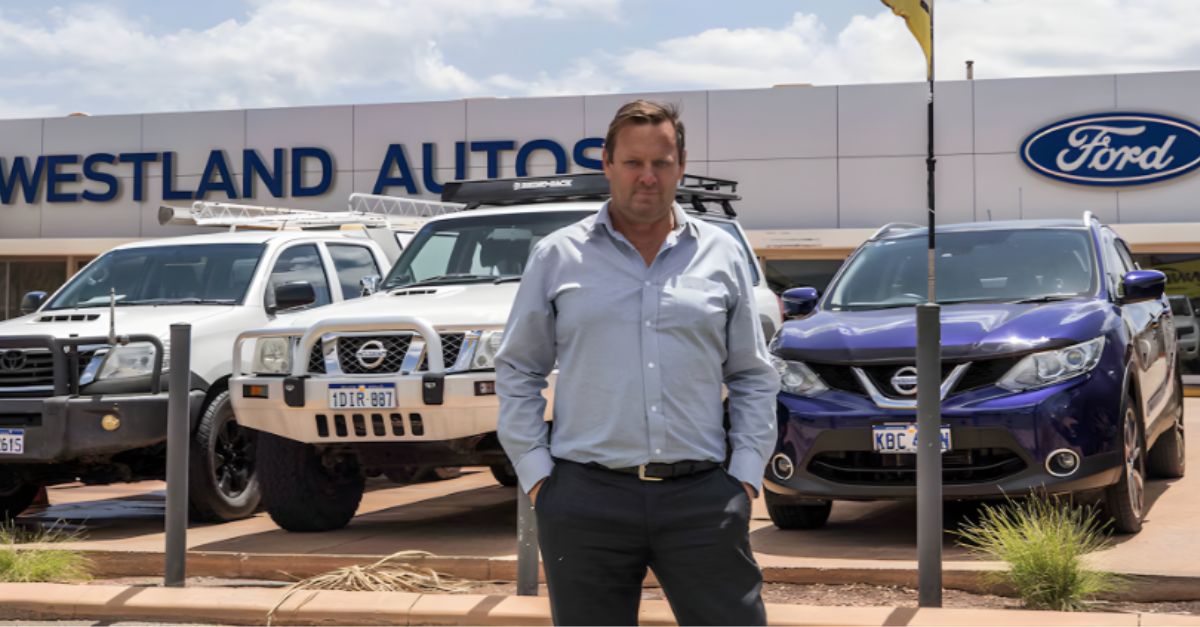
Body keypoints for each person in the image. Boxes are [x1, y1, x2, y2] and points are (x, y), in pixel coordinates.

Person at [496, 99, 779, 626]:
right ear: (607, 163)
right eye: (632, 162)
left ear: (682, 163)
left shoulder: (722, 255)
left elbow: (752, 374)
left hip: (703, 501)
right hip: (585, 500)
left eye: (661, 162)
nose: (647, 177)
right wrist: (538, 477)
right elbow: (518, 369)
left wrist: (744, 476)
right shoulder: (557, 256)